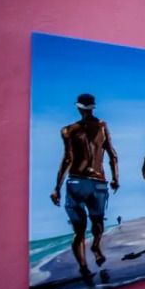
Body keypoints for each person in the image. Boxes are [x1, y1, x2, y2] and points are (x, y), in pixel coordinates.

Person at [50, 94, 119, 277]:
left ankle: (83, 267)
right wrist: (115, 178)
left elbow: (68, 159)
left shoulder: (68, 130)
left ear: (78, 108)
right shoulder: (102, 126)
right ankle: (95, 246)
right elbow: (112, 154)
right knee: (98, 221)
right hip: (98, 181)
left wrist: (57, 187)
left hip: (77, 180)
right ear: (92, 108)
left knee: (79, 229)